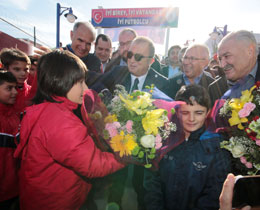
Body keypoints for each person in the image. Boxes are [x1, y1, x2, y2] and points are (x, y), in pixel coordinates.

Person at [14, 50, 125, 210]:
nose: (86, 88)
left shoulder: (50, 108)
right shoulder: (60, 121)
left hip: (43, 196)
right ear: (60, 81)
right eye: (80, 82)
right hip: (57, 202)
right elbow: (94, 164)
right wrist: (127, 154)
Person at [144, 84, 231, 210]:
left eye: (198, 113)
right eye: (185, 112)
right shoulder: (163, 138)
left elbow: (214, 193)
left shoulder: (217, 146)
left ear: (208, 112)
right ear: (176, 110)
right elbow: (152, 181)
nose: (191, 119)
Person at [210, 30, 260, 100]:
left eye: (227, 56)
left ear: (250, 52)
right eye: (220, 59)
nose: (222, 65)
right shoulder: (215, 88)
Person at [0, 71, 20, 210]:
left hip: (12, 185)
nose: (15, 92)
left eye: (16, 88)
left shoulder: (13, 114)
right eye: (9, 88)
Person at [0, 48, 36, 113]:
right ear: (4, 68)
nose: (23, 73)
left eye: (26, 69)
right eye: (17, 69)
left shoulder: (32, 92)